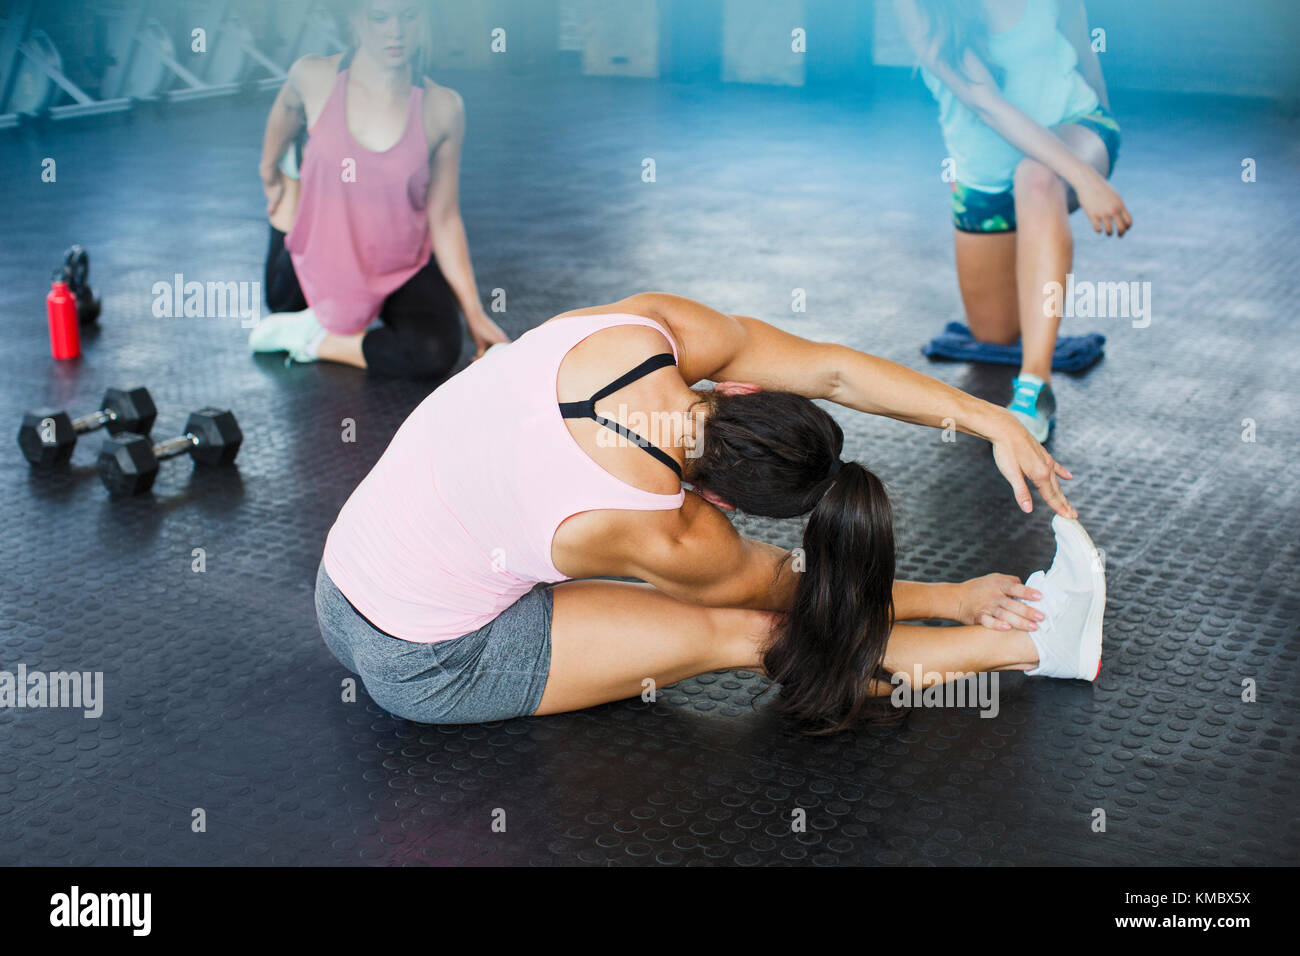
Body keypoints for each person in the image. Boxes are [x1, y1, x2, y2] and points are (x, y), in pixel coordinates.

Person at [315, 292, 1106, 735]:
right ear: (724, 504)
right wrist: (955, 597)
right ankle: (1043, 645)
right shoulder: (664, 531)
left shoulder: (644, 331)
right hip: (430, 664)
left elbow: (828, 369)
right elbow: (816, 610)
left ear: (740, 388)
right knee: (760, 635)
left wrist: (989, 417)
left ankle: (1030, 637)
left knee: (686, 601)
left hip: (337, 585)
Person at [895, 0, 1131, 440]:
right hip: (983, 183)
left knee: (1035, 177)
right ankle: (1036, 254)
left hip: (1075, 134)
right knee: (994, 334)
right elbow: (985, 103)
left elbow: (1083, 50)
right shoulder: (915, 5)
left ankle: (1034, 389)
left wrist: (1097, 147)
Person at [252, 0, 507, 378]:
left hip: (397, 259)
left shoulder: (443, 108)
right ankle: (295, 194)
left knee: (436, 352)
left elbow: (445, 216)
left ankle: (314, 340)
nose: (396, 31)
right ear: (355, 18)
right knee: (281, 303)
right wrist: (269, 171)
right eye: (379, 17)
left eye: (408, 16)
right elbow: (287, 109)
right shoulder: (313, 76)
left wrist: (475, 312)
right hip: (321, 242)